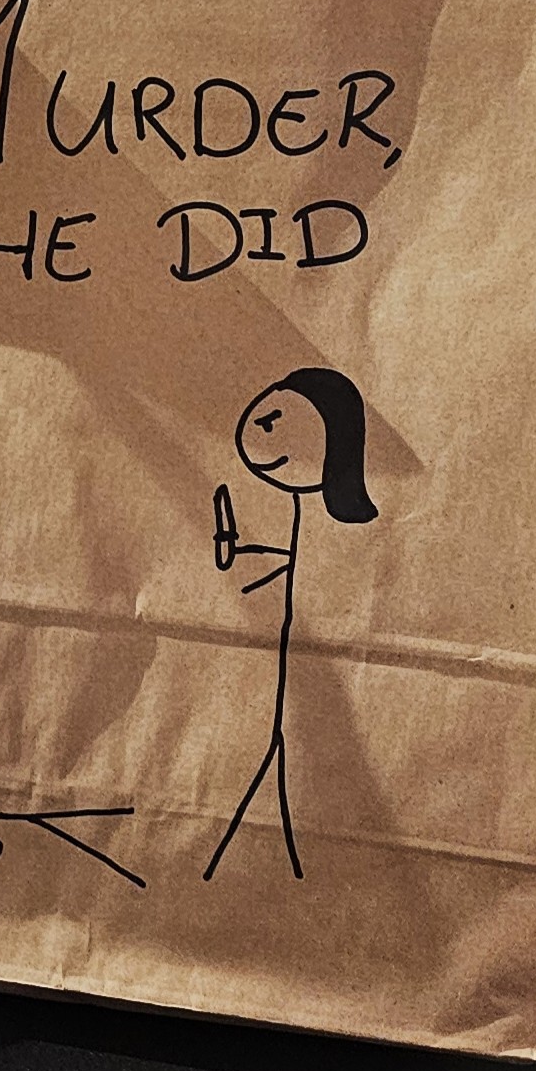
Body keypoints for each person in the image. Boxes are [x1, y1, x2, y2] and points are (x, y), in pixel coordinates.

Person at [205, 366, 376, 882]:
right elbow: (293, 565)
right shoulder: (309, 508)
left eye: (275, 421)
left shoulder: (347, 528)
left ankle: (292, 870)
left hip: (336, 684)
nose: (255, 435)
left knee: (305, 768)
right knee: (287, 757)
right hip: (298, 671)